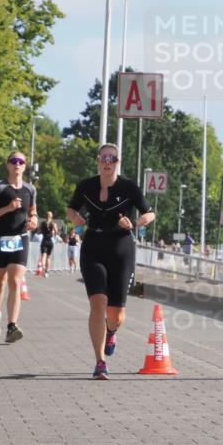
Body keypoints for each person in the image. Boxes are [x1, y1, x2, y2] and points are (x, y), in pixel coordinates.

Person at [67, 143, 155, 380]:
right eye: (103, 157)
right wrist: (76, 219)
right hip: (93, 246)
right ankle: (100, 362)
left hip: (121, 249)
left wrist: (136, 223)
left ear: (118, 161)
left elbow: (150, 212)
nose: (107, 161)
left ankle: (111, 331)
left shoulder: (129, 187)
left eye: (112, 158)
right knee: (98, 303)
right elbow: (71, 209)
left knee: (116, 315)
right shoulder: (86, 185)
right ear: (98, 160)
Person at [0, 151, 38, 343]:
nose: (17, 164)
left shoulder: (30, 189)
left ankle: (12, 326)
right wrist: (8, 208)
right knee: (0, 282)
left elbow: (33, 211)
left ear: (25, 166)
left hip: (19, 239)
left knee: (16, 280)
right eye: (13, 161)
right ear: (8, 165)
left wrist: (33, 219)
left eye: (20, 161)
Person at [37, 211, 57, 277]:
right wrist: (53, 233)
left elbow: (38, 232)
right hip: (50, 241)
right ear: (52, 216)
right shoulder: (53, 224)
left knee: (43, 256)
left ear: (46, 216)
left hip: (44, 240)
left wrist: (42, 231)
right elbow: (56, 232)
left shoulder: (42, 223)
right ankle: (46, 272)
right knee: (48, 257)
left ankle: (43, 267)